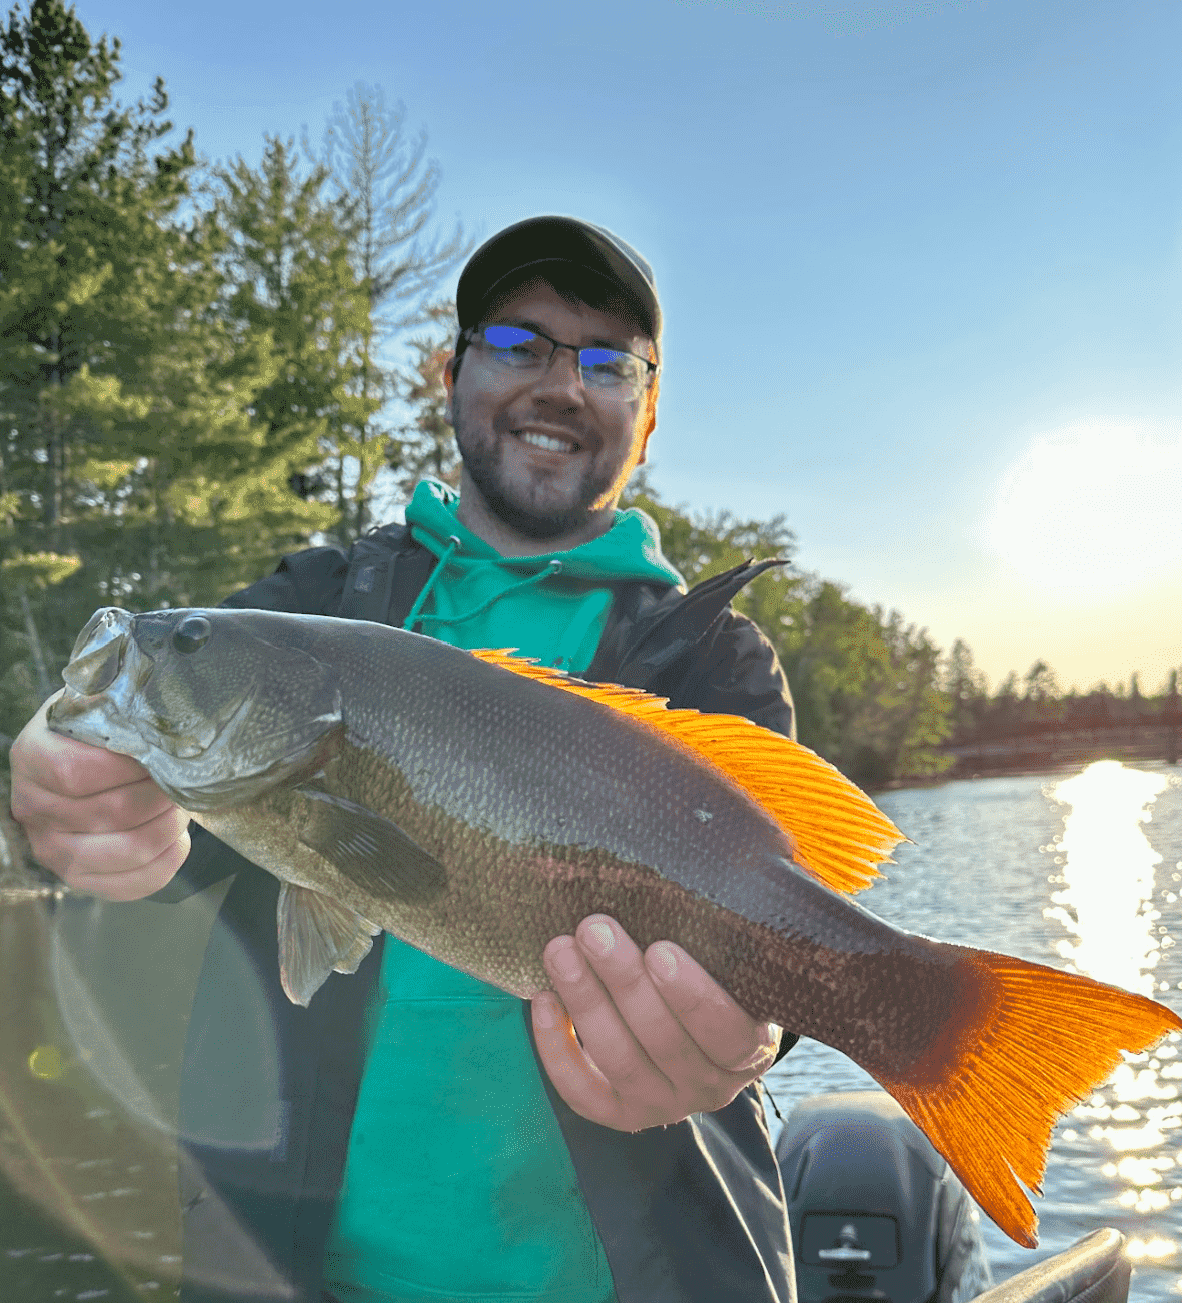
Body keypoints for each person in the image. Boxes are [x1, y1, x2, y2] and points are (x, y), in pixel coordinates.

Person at [11, 216, 800, 1303]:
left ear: (647, 417)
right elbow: (169, 828)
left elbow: (792, 920)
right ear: (451, 373)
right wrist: (59, 789)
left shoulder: (712, 656)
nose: (559, 385)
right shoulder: (314, 604)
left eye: (608, 361)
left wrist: (757, 1035)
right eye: (517, 344)